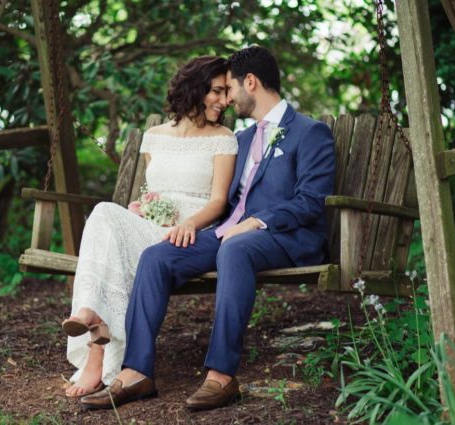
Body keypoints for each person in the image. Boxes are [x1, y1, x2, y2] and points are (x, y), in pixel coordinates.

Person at [80, 46, 335, 410]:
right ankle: (137, 371)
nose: (227, 99)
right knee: (156, 257)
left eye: (229, 89)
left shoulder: (310, 132)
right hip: (226, 234)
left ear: (250, 83)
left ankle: (222, 376)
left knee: (236, 248)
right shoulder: (240, 139)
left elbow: (312, 199)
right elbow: (217, 198)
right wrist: (156, 209)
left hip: (286, 237)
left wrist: (255, 222)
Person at [62, 56, 238, 397]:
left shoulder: (223, 138)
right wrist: (143, 207)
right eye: (217, 91)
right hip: (151, 227)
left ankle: (95, 342)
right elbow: (151, 191)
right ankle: (90, 320)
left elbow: (218, 202)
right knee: (103, 212)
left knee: (109, 230)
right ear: (195, 89)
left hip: (188, 235)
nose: (225, 100)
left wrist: (188, 222)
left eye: (227, 93)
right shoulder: (154, 137)